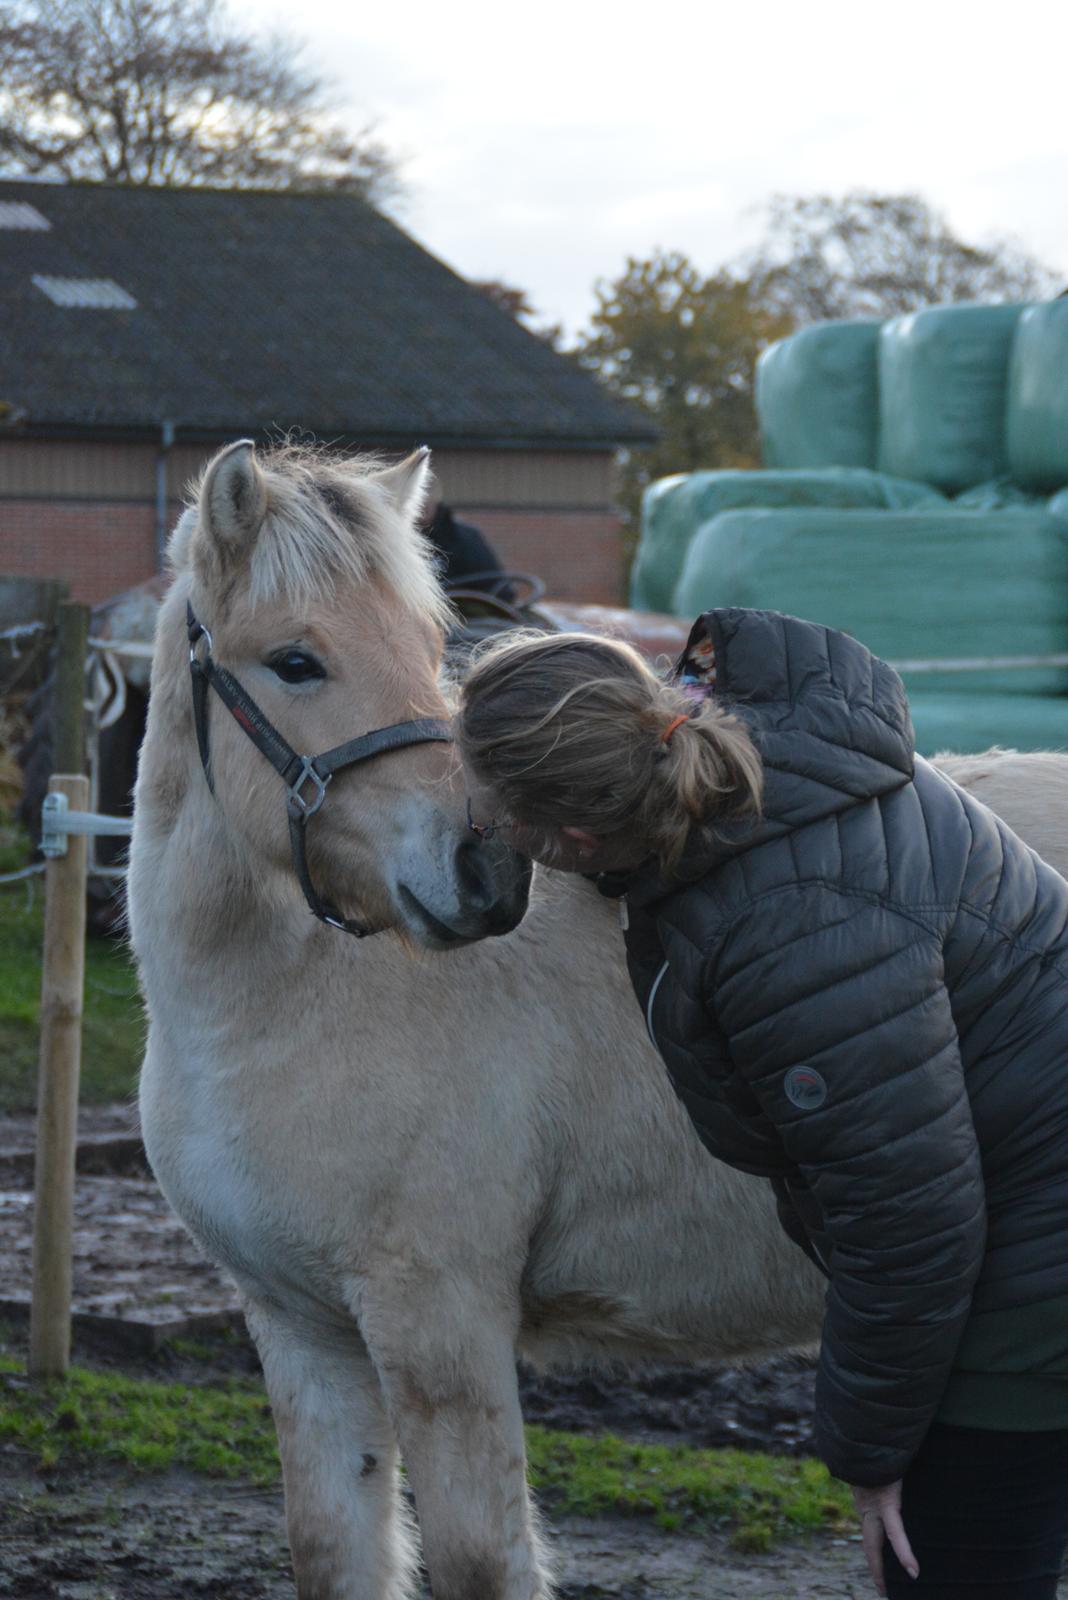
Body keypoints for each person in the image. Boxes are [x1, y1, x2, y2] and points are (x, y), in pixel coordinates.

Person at [456, 607, 1068, 1600]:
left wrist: (872, 1453)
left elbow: (906, 1213)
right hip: (1026, 1212)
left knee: (955, 1575)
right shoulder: (759, 774)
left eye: (495, 814)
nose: (479, 829)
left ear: (569, 835)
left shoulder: (785, 934)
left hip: (1037, 1267)